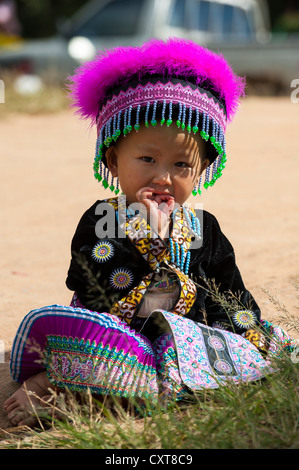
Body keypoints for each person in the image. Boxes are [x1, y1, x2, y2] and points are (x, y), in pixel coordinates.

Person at [4, 38, 295, 427]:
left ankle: (111, 392)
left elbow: (228, 290)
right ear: (113, 158)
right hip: (114, 338)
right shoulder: (103, 217)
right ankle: (50, 385)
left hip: (180, 344)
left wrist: (242, 334)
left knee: (238, 355)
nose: (163, 177)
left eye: (181, 165)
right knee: (101, 348)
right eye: (147, 159)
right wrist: (151, 243)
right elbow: (87, 284)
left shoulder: (202, 228)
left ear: (201, 170)